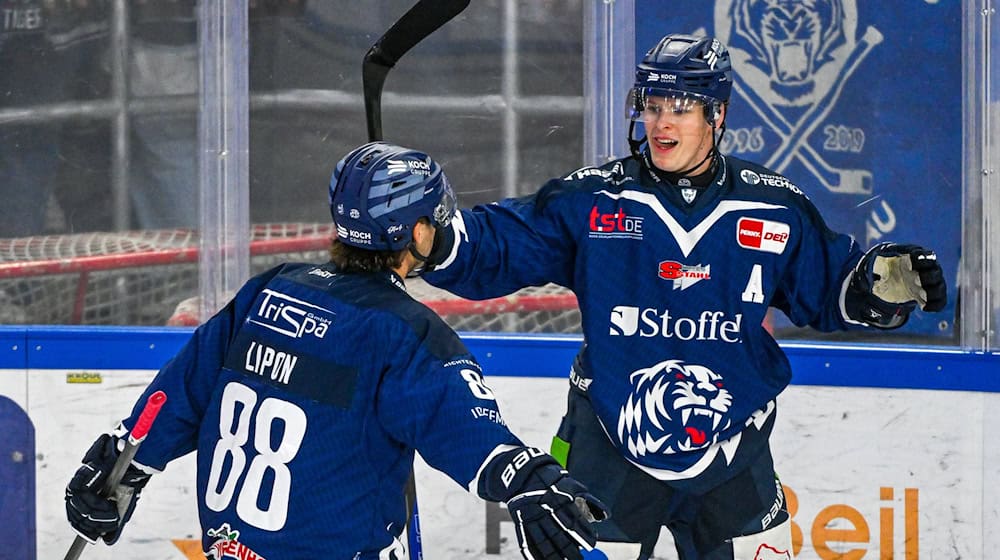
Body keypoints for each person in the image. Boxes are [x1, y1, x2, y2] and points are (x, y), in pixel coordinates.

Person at [420, 34, 947, 560]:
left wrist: (879, 285)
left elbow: (829, 289)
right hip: (610, 437)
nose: (661, 123)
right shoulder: (594, 198)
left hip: (732, 445)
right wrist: (433, 235)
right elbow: (499, 245)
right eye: (651, 106)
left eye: (680, 108)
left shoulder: (772, 206)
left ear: (717, 115)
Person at [64, 142, 607, 560]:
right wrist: (528, 479)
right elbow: (466, 433)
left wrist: (125, 463)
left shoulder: (272, 288)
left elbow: (182, 390)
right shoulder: (402, 332)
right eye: (435, 214)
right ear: (415, 231)